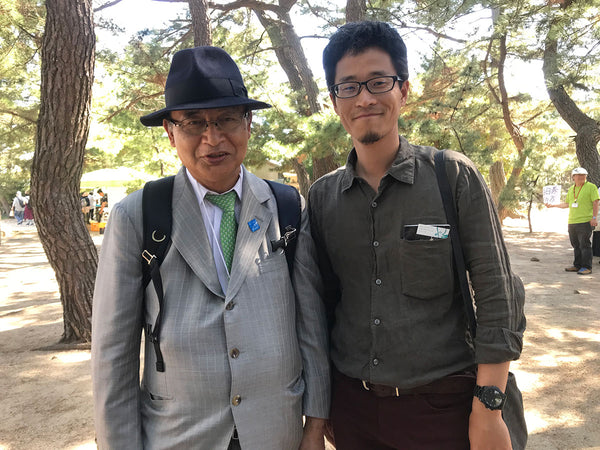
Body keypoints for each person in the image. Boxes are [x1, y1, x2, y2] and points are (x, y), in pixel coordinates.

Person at [91, 46, 330, 450]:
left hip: (277, 432)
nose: (212, 138)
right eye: (194, 123)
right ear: (170, 132)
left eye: (226, 120)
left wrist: (316, 423)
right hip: (179, 435)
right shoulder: (139, 216)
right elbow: (113, 353)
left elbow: (310, 325)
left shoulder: (286, 207)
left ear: (248, 123)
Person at [307, 21, 526, 449]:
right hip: (355, 411)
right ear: (335, 101)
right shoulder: (322, 198)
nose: (364, 98)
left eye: (378, 82)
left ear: (403, 91)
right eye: (348, 87)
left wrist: (488, 406)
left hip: (445, 409)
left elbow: (498, 293)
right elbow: (321, 307)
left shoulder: (452, 176)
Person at [546, 167, 599, 275]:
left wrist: (594, 218)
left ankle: (587, 267)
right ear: (573, 177)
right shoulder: (571, 189)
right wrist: (553, 205)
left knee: (584, 244)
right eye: (578, 175)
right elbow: (567, 204)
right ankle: (577, 265)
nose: (581, 177)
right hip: (572, 221)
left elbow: (595, 202)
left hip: (585, 221)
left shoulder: (591, 187)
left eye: (583, 175)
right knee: (575, 244)